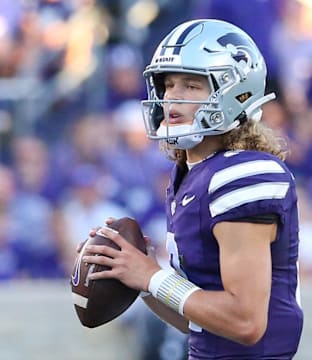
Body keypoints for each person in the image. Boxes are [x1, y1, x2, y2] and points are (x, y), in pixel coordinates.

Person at [81, 19, 304, 359]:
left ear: (234, 91)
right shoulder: (190, 174)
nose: (172, 98)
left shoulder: (244, 174)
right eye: (168, 84)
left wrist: (153, 276)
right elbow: (201, 322)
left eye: (191, 85)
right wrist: (141, 282)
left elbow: (246, 322)